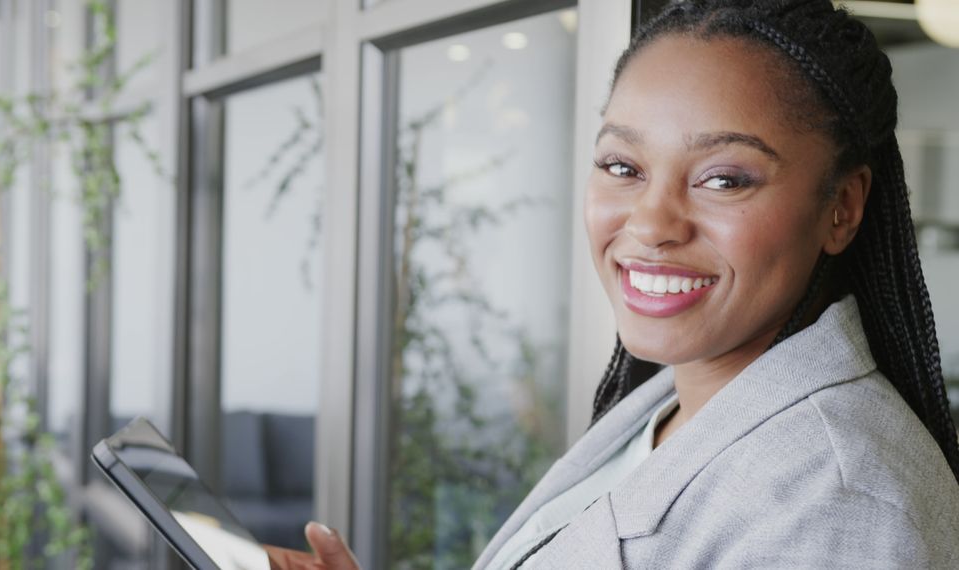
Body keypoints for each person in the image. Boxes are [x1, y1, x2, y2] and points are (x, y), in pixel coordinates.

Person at [265, 0, 959, 567]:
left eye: (723, 177)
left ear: (842, 208)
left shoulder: (839, 507)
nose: (651, 223)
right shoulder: (671, 404)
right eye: (623, 167)